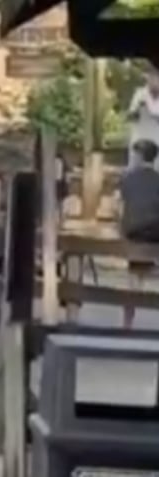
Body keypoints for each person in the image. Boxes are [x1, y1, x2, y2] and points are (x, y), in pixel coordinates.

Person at [118, 139, 159, 328]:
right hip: (155, 233)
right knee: (140, 269)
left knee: (133, 275)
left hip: (133, 231)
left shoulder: (127, 178)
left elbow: (118, 206)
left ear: (139, 156)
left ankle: (128, 321)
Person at [126, 69, 159, 169]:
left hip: (157, 140)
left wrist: (154, 116)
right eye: (152, 77)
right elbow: (130, 116)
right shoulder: (140, 93)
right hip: (139, 140)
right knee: (134, 170)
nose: (155, 81)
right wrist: (137, 112)